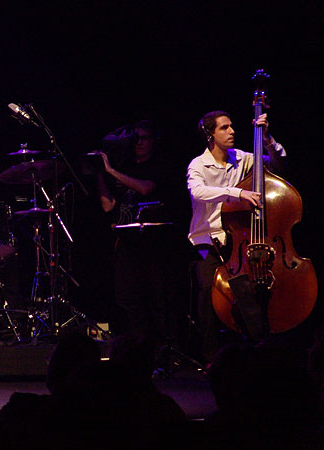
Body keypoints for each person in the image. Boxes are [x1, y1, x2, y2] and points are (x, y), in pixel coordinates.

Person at [186, 110, 286, 362]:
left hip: (240, 238)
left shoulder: (242, 158)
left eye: (231, 126)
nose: (232, 131)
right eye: (224, 127)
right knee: (208, 290)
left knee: (254, 289)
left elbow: (276, 165)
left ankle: (257, 350)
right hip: (208, 239)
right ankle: (211, 357)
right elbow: (198, 192)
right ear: (210, 134)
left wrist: (267, 138)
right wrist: (238, 193)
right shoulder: (198, 165)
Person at [96, 120, 174, 344]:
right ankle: (137, 346)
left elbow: (145, 188)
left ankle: (164, 348)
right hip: (126, 242)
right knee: (128, 299)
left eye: (144, 138)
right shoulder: (124, 166)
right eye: (135, 138)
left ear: (153, 140)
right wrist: (100, 174)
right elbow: (108, 206)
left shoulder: (159, 165)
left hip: (152, 243)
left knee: (157, 299)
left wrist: (111, 171)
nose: (139, 142)